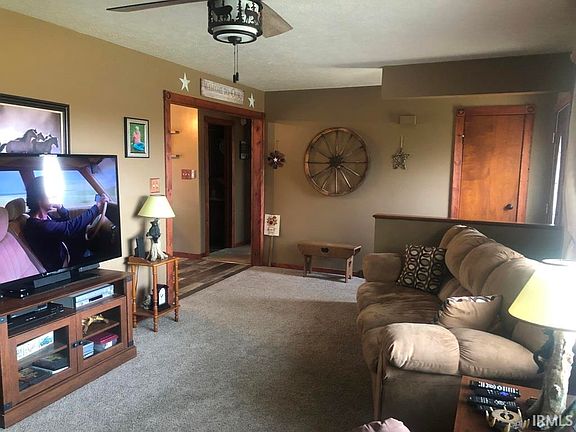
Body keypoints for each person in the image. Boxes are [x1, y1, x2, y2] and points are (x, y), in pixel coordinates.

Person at [23, 176, 108, 272]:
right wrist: (97, 207)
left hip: (65, 252)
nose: (54, 196)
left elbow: (65, 222)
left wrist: (60, 208)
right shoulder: (38, 226)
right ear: (39, 198)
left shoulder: (45, 218)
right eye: (51, 194)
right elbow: (69, 228)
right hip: (64, 266)